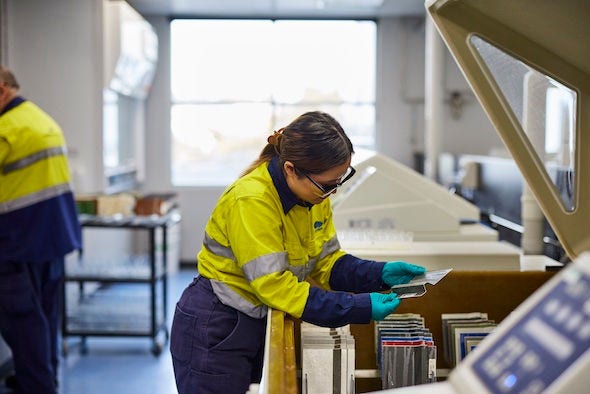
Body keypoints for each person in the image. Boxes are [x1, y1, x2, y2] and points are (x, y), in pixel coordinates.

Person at [170, 111, 425, 394]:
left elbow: (327, 263)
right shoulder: (252, 201)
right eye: (329, 184)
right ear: (291, 169)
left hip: (253, 318)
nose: (334, 191)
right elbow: (276, 286)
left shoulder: (314, 196)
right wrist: (358, 307)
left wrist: (378, 273)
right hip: (217, 323)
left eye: (341, 180)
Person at [0, 65, 81, 394]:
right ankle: (43, 380)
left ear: (2, 89)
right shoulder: (41, 119)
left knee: (23, 324)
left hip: (16, 242)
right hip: (52, 238)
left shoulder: (7, 129)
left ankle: (38, 386)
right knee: (45, 320)